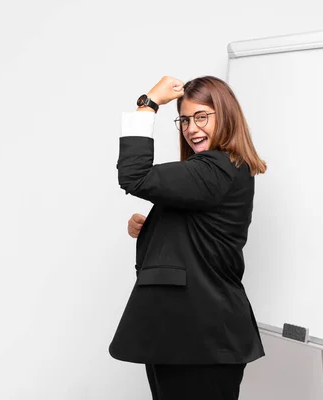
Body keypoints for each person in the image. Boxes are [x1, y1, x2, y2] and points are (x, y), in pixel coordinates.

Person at [109, 75, 267, 400]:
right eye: (184, 119)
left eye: (201, 117)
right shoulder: (217, 171)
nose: (192, 128)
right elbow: (200, 233)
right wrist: (151, 228)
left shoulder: (217, 168)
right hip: (184, 335)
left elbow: (134, 175)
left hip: (201, 338)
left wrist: (149, 102)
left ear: (225, 117)